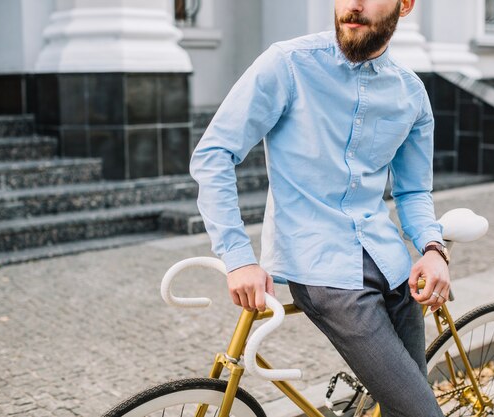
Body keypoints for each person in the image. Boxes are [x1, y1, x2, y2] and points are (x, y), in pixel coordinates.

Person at [190, 0, 450, 415]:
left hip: (394, 268)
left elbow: (414, 191)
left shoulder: (410, 92)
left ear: (405, 5)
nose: (353, 5)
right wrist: (238, 258)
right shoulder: (288, 64)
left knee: (404, 405)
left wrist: (434, 250)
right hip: (323, 270)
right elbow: (214, 153)